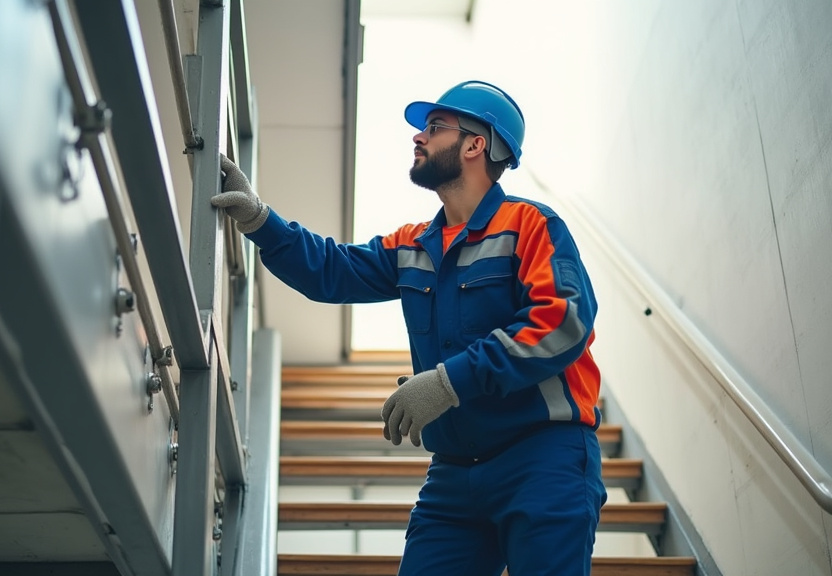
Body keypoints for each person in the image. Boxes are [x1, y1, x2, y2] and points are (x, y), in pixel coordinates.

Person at [213, 80, 607, 576]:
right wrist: (259, 219)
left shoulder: (530, 225)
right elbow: (332, 270)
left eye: (435, 127)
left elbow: (562, 322)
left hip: (544, 457)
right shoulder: (413, 245)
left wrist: (447, 383)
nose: (419, 137)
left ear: (476, 144)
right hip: (455, 473)